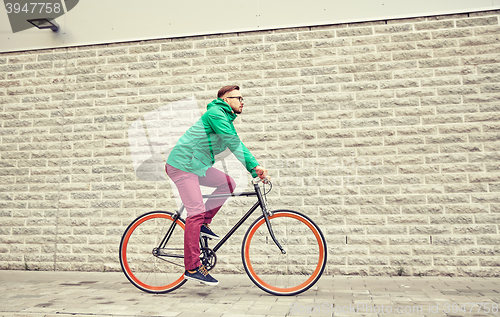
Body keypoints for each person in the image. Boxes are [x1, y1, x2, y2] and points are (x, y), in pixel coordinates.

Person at [165, 85, 268, 286]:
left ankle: (203, 223)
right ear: (226, 99)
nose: (242, 101)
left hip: (196, 166)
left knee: (227, 183)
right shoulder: (216, 114)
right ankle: (192, 268)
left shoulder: (224, 117)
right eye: (238, 97)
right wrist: (254, 166)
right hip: (182, 165)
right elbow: (234, 142)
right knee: (194, 211)